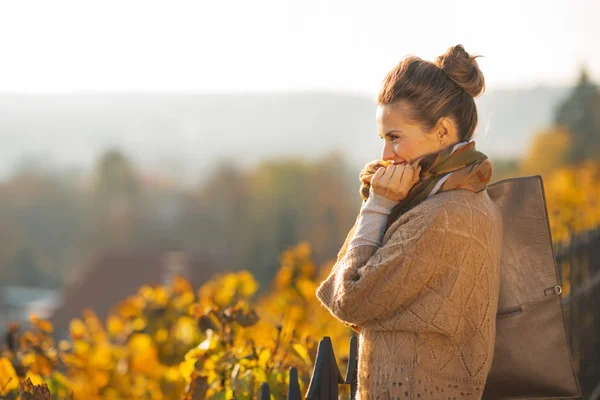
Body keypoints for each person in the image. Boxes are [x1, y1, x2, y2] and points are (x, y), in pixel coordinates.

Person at [315, 44, 504, 400]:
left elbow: (348, 298)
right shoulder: (465, 195)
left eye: (395, 137)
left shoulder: (442, 217)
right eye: (383, 139)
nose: (385, 155)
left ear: (444, 131)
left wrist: (377, 205)